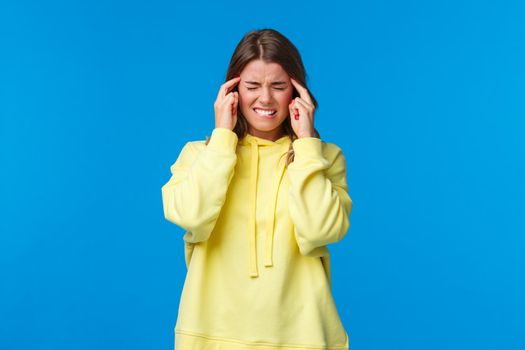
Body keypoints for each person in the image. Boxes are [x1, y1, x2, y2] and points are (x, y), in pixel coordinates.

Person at [161, 28, 353, 350]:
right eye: (252, 86)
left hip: (304, 338)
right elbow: (192, 217)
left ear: (297, 92)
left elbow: (321, 230)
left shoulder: (323, 157)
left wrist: (306, 146)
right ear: (232, 91)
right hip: (210, 336)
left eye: (278, 86)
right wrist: (222, 138)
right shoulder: (198, 155)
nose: (265, 98)